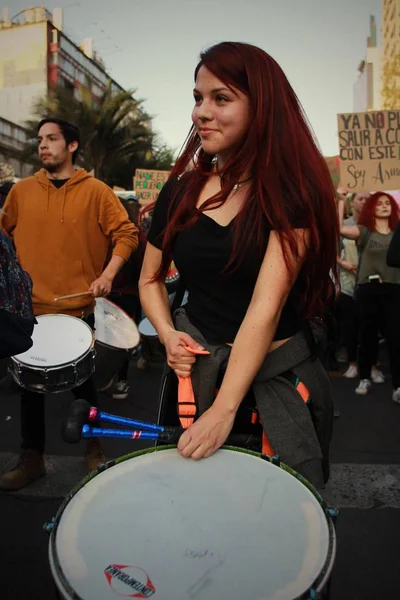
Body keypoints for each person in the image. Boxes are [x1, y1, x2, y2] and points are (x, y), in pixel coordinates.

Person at [139, 42, 338, 490]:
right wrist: (169, 333)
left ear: (262, 108)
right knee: (190, 508)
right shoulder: (180, 191)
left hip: (274, 380)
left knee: (278, 515)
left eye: (220, 98)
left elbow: (264, 309)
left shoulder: (290, 196)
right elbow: (150, 279)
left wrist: (224, 409)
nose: (200, 112)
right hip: (196, 378)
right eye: (197, 97)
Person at [0, 117, 138, 490]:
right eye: (39, 140)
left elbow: (126, 233)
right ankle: (32, 460)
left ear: (72, 145)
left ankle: (94, 451)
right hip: (29, 314)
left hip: (79, 312)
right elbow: (3, 232)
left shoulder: (96, 191)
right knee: (29, 394)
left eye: (51, 139)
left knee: (85, 390)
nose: (42, 145)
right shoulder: (22, 191)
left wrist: (108, 274)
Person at [338, 192, 400, 401]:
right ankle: (365, 377)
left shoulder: (397, 233)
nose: (384, 206)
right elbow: (338, 229)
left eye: (387, 203)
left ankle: (398, 386)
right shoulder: (364, 231)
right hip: (367, 289)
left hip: (393, 289)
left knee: (395, 338)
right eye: (379, 203)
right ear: (372, 208)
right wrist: (340, 200)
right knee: (367, 336)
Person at [337, 192, 384, 383]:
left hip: (370, 284)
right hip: (348, 283)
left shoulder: (376, 226)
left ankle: (373, 367)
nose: (364, 202)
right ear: (352, 202)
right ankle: (353, 365)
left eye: (367, 199)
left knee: (372, 327)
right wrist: (344, 264)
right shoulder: (346, 225)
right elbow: (331, 250)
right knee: (351, 326)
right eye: (360, 199)